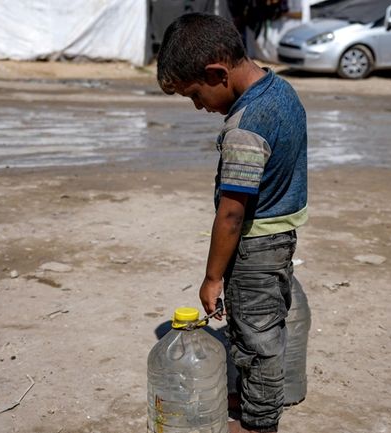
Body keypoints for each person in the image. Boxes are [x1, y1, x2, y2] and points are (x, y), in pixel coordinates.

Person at [156, 13, 308, 433]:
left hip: (256, 246)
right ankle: (251, 396)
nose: (199, 106)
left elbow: (232, 212)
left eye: (195, 95)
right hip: (278, 238)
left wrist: (212, 277)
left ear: (216, 73)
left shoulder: (245, 127)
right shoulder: (282, 92)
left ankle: (258, 423)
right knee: (254, 326)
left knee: (258, 339)